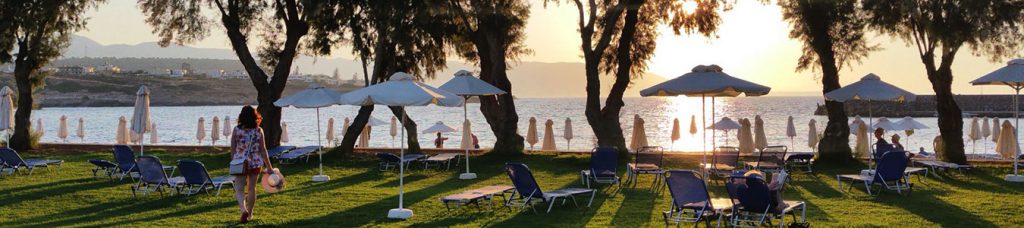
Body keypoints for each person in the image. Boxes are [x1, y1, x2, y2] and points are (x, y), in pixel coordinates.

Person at [230, 106, 274, 223]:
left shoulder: (236, 130)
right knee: (251, 189)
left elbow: (233, 148)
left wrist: (233, 161)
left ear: (241, 116)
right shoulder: (259, 130)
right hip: (255, 162)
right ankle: (250, 214)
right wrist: (269, 167)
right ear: (255, 116)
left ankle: (243, 210)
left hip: (239, 162)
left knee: (239, 189)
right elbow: (263, 150)